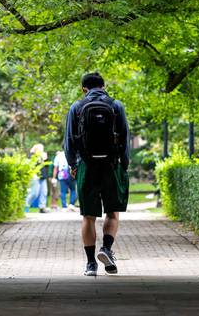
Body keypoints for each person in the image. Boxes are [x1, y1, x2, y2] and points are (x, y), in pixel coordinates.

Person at [64, 72, 130, 276]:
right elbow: (125, 137)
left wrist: (73, 165)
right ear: (103, 86)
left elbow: (69, 141)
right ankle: (107, 249)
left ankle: (91, 264)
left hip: (86, 165)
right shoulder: (116, 105)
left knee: (88, 216)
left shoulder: (77, 107)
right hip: (111, 165)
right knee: (112, 212)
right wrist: (123, 165)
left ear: (84, 88)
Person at [25, 144, 50, 214]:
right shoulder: (32, 156)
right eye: (41, 149)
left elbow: (46, 166)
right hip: (35, 177)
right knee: (34, 193)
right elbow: (30, 166)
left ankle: (42, 207)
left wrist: (45, 159)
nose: (42, 150)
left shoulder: (43, 156)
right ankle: (25, 206)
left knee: (44, 192)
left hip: (43, 177)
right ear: (36, 149)